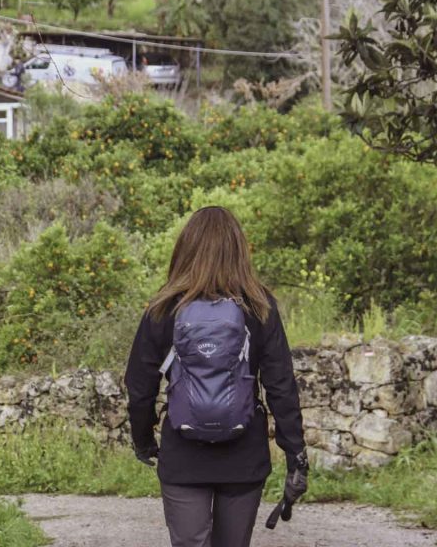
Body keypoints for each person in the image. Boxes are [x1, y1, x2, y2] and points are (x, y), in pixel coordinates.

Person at [124, 206, 308, 547]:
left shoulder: (164, 307)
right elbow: (281, 385)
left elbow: (139, 385)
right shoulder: (259, 306)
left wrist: (143, 439)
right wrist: (296, 455)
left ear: (185, 249)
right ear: (238, 249)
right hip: (244, 457)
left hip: (183, 455)